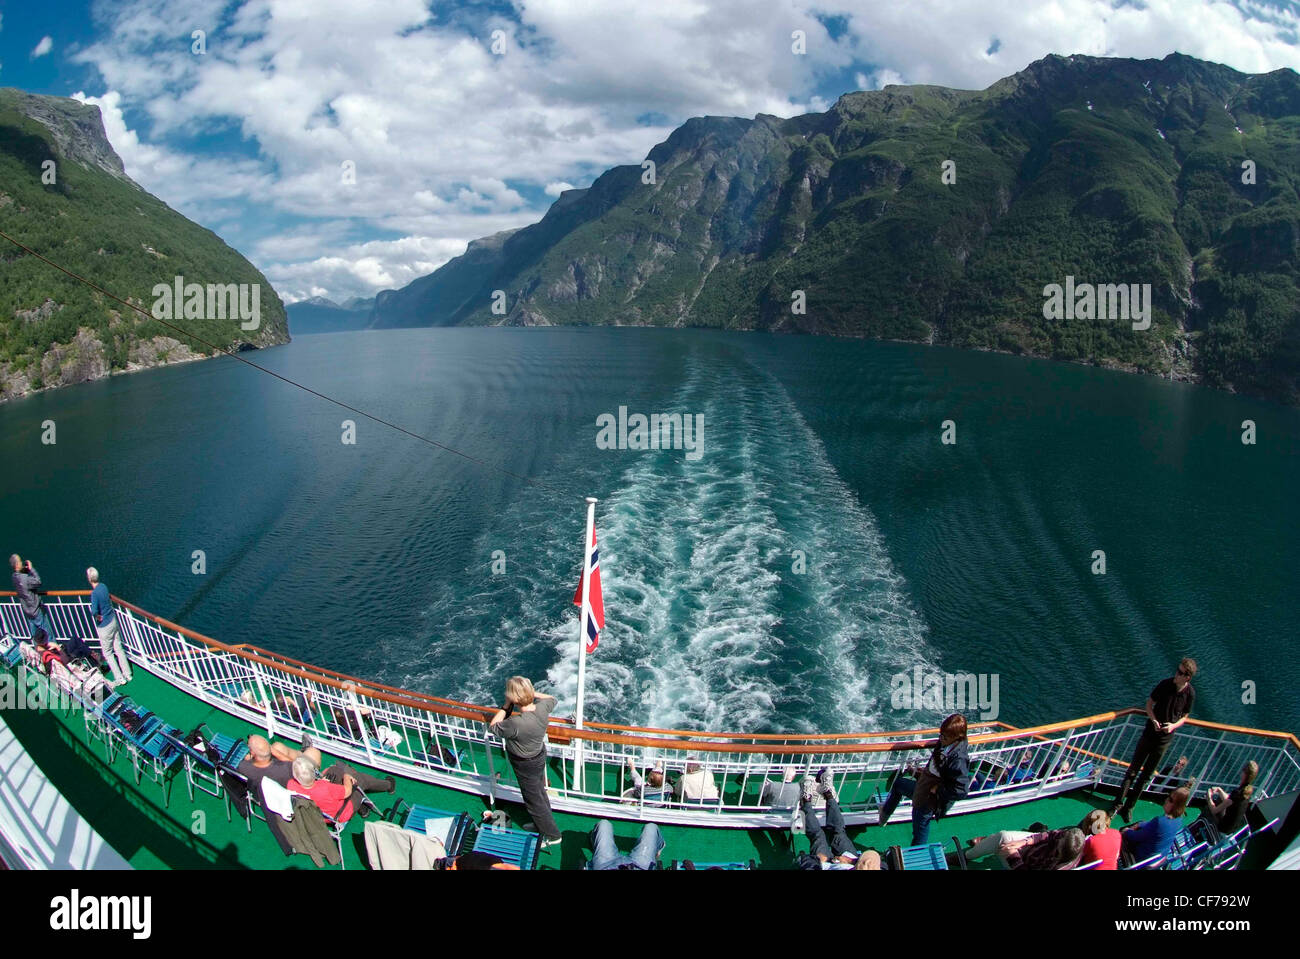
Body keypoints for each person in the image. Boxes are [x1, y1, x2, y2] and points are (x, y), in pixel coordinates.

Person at [1111, 660, 1197, 823]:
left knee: (1146, 776)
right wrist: (1154, 720)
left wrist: (1172, 726)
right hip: (1149, 733)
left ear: (1187, 677)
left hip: (1164, 740)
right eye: (1177, 670)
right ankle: (1117, 803)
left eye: (1180, 673)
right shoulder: (1165, 685)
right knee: (1132, 771)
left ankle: (1129, 806)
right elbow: (1149, 704)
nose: (1176, 674)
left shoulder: (1189, 694)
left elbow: (1185, 716)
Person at [487, 676, 561, 848]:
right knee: (539, 793)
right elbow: (552, 699)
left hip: (524, 763)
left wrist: (506, 706)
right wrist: (531, 694)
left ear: (514, 698)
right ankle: (541, 825)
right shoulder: (543, 708)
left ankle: (552, 835)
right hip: (538, 756)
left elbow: (494, 726)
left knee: (533, 801)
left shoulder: (516, 723)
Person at [877, 713, 971, 845]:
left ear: (957, 737)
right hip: (923, 787)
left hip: (929, 799)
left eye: (944, 736)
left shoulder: (958, 759)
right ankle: (884, 816)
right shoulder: (947, 744)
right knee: (899, 784)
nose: (940, 739)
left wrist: (938, 790)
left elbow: (961, 790)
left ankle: (915, 857)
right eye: (940, 734)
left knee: (920, 829)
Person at [795, 768, 887, 869]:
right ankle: (828, 793)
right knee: (838, 832)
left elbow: (805, 864)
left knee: (818, 836)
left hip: (825, 866)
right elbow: (883, 866)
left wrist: (817, 861)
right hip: (850, 864)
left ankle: (805, 800)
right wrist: (852, 861)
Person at [1122, 786, 1190, 864]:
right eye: (1168, 797)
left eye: (1171, 800)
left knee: (1122, 834)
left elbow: (1136, 837)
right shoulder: (1179, 819)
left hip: (1144, 859)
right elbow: (1152, 827)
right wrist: (1140, 824)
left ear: (1176, 806)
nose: (1167, 800)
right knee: (1142, 822)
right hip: (1159, 858)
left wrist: (1127, 831)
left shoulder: (1160, 821)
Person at [287, 755, 365, 822]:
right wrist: (347, 777)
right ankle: (362, 808)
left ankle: (343, 769)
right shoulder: (325, 787)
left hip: (321, 817)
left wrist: (321, 782)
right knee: (360, 779)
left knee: (334, 771)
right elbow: (347, 792)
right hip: (340, 814)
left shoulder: (291, 785)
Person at [86, 567, 131, 684]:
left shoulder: (94, 593)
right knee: (118, 647)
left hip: (104, 626)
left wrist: (97, 616)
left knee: (108, 652)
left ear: (89, 579)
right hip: (113, 620)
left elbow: (94, 610)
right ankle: (128, 674)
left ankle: (119, 678)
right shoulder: (103, 586)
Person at [965, 827, 1085, 870]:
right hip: (1030, 848)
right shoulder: (1067, 838)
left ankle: (987, 843)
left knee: (1002, 843)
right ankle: (967, 856)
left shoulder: (1059, 868)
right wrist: (1023, 842)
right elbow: (1048, 835)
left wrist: (1013, 856)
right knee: (1004, 836)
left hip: (1023, 864)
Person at [1206, 761, 1257, 836]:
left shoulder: (1237, 793)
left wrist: (1209, 797)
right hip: (1232, 830)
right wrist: (1219, 790)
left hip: (1223, 829)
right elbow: (1229, 800)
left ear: (1244, 774)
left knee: (1208, 810)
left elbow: (1214, 811)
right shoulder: (1247, 791)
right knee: (1220, 799)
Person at [588, 819, 664, 870]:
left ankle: (595, 842)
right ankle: (658, 847)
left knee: (604, 824)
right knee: (651, 828)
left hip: (605, 865)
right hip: (640, 866)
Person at [10, 554, 49, 640]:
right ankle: (53, 651)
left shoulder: (14, 577)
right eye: (20, 561)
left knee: (36, 636)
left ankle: (38, 651)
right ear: (17, 564)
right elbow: (38, 582)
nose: (21, 562)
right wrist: (31, 569)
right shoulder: (25, 579)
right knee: (46, 634)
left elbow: (23, 582)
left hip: (27, 610)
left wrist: (25, 570)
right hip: (35, 609)